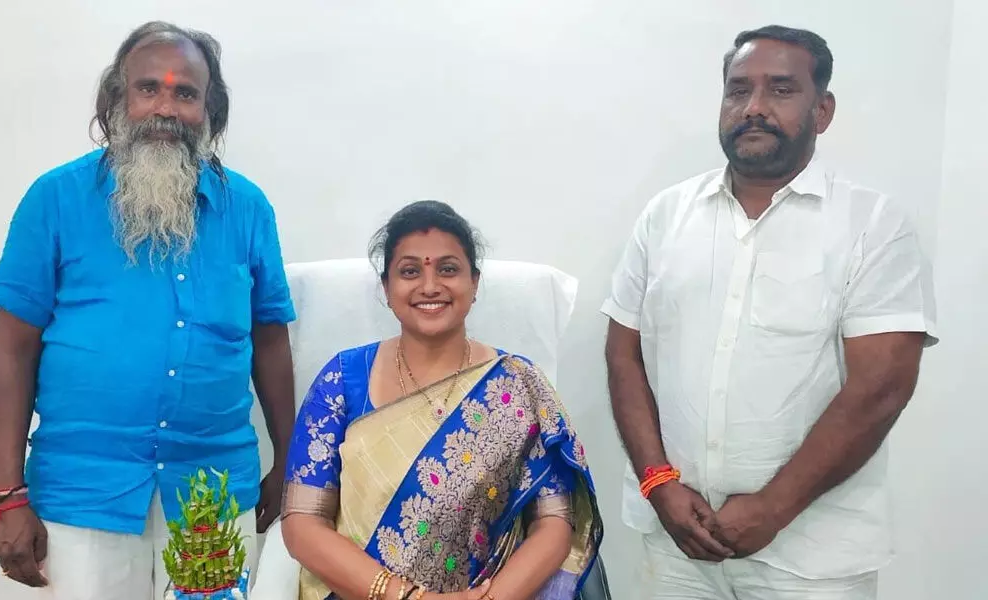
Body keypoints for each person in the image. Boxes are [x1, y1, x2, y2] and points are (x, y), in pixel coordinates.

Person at [602, 25, 937, 600]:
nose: (753, 108)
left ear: (822, 110)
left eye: (781, 90)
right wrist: (658, 481)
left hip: (813, 557)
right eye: (738, 90)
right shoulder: (666, 215)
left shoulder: (873, 226)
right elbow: (623, 351)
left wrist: (773, 508)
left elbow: (880, 388)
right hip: (677, 544)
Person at [0, 21, 296, 599]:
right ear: (116, 100)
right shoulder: (54, 200)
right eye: (148, 88)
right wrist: (6, 493)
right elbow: (12, 350)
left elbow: (270, 340)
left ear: (211, 110)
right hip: (84, 494)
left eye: (186, 93)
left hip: (214, 495)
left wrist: (290, 460)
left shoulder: (248, 209)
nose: (166, 107)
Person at [281, 200, 602, 600]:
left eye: (448, 269)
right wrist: (407, 597)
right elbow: (303, 521)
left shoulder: (519, 383)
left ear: (475, 282)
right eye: (410, 271)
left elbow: (554, 521)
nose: (430, 286)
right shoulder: (341, 380)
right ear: (387, 288)